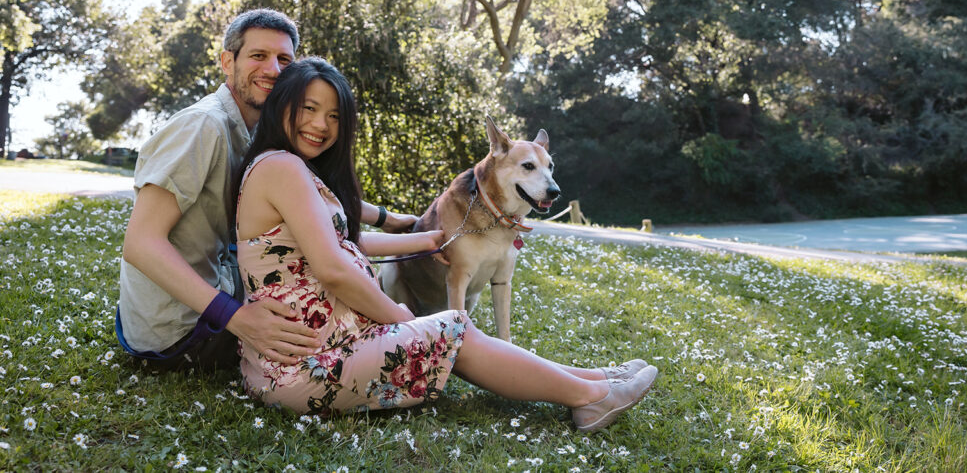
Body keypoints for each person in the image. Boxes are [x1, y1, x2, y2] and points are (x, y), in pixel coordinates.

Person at [235, 57, 657, 431]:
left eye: (334, 115)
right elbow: (332, 269)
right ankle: (590, 398)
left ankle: (596, 379)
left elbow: (345, 245)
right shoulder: (283, 168)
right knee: (451, 326)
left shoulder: (293, 169)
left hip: (321, 352)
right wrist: (397, 316)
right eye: (309, 109)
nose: (321, 125)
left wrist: (426, 237)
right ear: (282, 105)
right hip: (304, 367)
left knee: (452, 329)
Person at [118, 9, 416, 371]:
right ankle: (423, 336)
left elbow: (315, 202)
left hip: (220, 297)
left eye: (284, 60)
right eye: (258, 56)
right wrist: (238, 318)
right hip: (181, 330)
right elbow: (141, 243)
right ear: (227, 62)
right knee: (334, 315)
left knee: (330, 286)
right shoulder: (202, 126)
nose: (273, 69)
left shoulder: (258, 131)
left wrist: (391, 219)